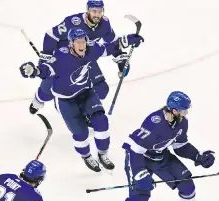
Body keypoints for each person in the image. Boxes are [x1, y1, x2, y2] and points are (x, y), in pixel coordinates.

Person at [95, 91, 216, 201]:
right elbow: (136, 149)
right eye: (183, 110)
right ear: (174, 110)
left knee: (187, 184)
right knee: (140, 197)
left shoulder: (181, 123)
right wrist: (140, 173)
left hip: (160, 156)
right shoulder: (155, 123)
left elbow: (180, 146)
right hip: (138, 157)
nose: (186, 113)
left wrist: (197, 157)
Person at [19, 28, 144, 172]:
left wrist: (127, 40)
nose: (82, 45)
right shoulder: (60, 57)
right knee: (81, 133)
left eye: (83, 41)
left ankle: (103, 154)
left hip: (86, 93)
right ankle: (86, 155)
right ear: (71, 43)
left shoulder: (91, 49)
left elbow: (109, 47)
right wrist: (34, 71)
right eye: (78, 42)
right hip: (65, 101)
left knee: (101, 122)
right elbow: (45, 70)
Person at [30, 0, 129, 116]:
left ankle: (85, 112)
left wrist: (121, 61)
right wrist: (46, 57)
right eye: (94, 11)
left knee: (101, 90)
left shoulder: (104, 24)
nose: (97, 15)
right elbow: (51, 34)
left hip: (86, 59)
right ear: (88, 10)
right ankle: (37, 101)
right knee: (48, 89)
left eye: (100, 11)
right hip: (65, 60)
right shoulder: (73, 22)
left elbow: (113, 42)